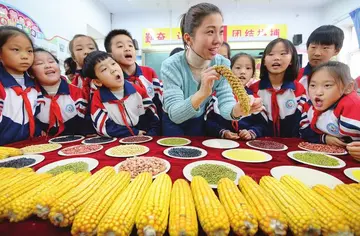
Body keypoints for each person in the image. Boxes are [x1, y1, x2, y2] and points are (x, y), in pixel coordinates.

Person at [160, 2, 262, 136]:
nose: (218, 40)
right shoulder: (171, 65)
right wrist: (202, 93)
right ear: (188, 39)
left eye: (220, 32)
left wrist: (238, 109)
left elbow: (226, 103)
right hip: (172, 122)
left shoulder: (222, 63)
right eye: (210, 32)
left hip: (198, 120)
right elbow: (175, 114)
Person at [83, 51, 160, 137]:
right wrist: (134, 133)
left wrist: (151, 134)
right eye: (104, 69)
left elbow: (151, 114)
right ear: (97, 81)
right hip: (116, 141)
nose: (113, 69)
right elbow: (103, 127)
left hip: (144, 137)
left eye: (113, 63)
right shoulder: (98, 98)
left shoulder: (136, 90)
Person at [250, 38, 307, 137]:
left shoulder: (298, 90)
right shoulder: (254, 89)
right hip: (259, 143)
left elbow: (303, 122)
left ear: (291, 60)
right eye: (271, 54)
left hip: (291, 145)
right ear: (264, 61)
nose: (276, 58)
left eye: (283, 54)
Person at [205, 53, 267, 140]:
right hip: (220, 143)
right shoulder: (217, 96)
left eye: (248, 68)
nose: (243, 72)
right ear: (229, 71)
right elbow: (208, 122)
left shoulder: (255, 99)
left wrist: (251, 132)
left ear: (253, 73)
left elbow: (263, 125)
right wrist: (223, 132)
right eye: (238, 68)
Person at [104, 29, 162, 120]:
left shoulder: (149, 72)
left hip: (153, 126)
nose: (127, 48)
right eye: (120, 46)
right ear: (110, 55)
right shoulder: (111, 80)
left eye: (130, 45)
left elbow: (158, 102)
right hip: (127, 128)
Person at [299, 61, 360, 148]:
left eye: (327, 85)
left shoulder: (353, 106)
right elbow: (304, 130)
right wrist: (323, 138)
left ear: (348, 88)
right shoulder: (308, 107)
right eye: (313, 85)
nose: (318, 92)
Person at [31, 48, 87, 137]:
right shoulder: (31, 96)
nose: (48, 66)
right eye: (39, 63)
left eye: (51, 61)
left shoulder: (77, 93)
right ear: (31, 73)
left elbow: (85, 125)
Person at [0, 26, 38, 145]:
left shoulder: (33, 86)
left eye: (29, 51)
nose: (25, 56)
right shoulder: (2, 87)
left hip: (26, 147)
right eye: (16, 49)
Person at [297, 25, 344, 94]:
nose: (317, 53)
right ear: (307, 48)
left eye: (325, 48)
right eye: (313, 47)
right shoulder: (295, 76)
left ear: (336, 51)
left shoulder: (341, 80)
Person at [69, 34, 99, 135]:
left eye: (91, 48)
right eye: (79, 49)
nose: (86, 51)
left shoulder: (110, 76)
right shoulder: (74, 85)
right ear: (73, 57)